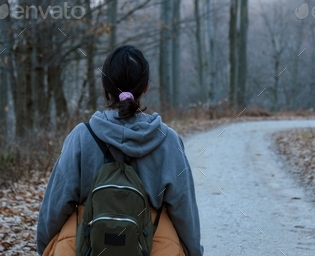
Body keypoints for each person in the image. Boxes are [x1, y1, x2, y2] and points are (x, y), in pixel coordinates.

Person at [36, 45, 204, 256]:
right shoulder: (167, 140)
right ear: (146, 87)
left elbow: (55, 207)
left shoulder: (82, 136)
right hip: (151, 245)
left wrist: (45, 247)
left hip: (90, 244)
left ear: (104, 86)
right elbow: (184, 210)